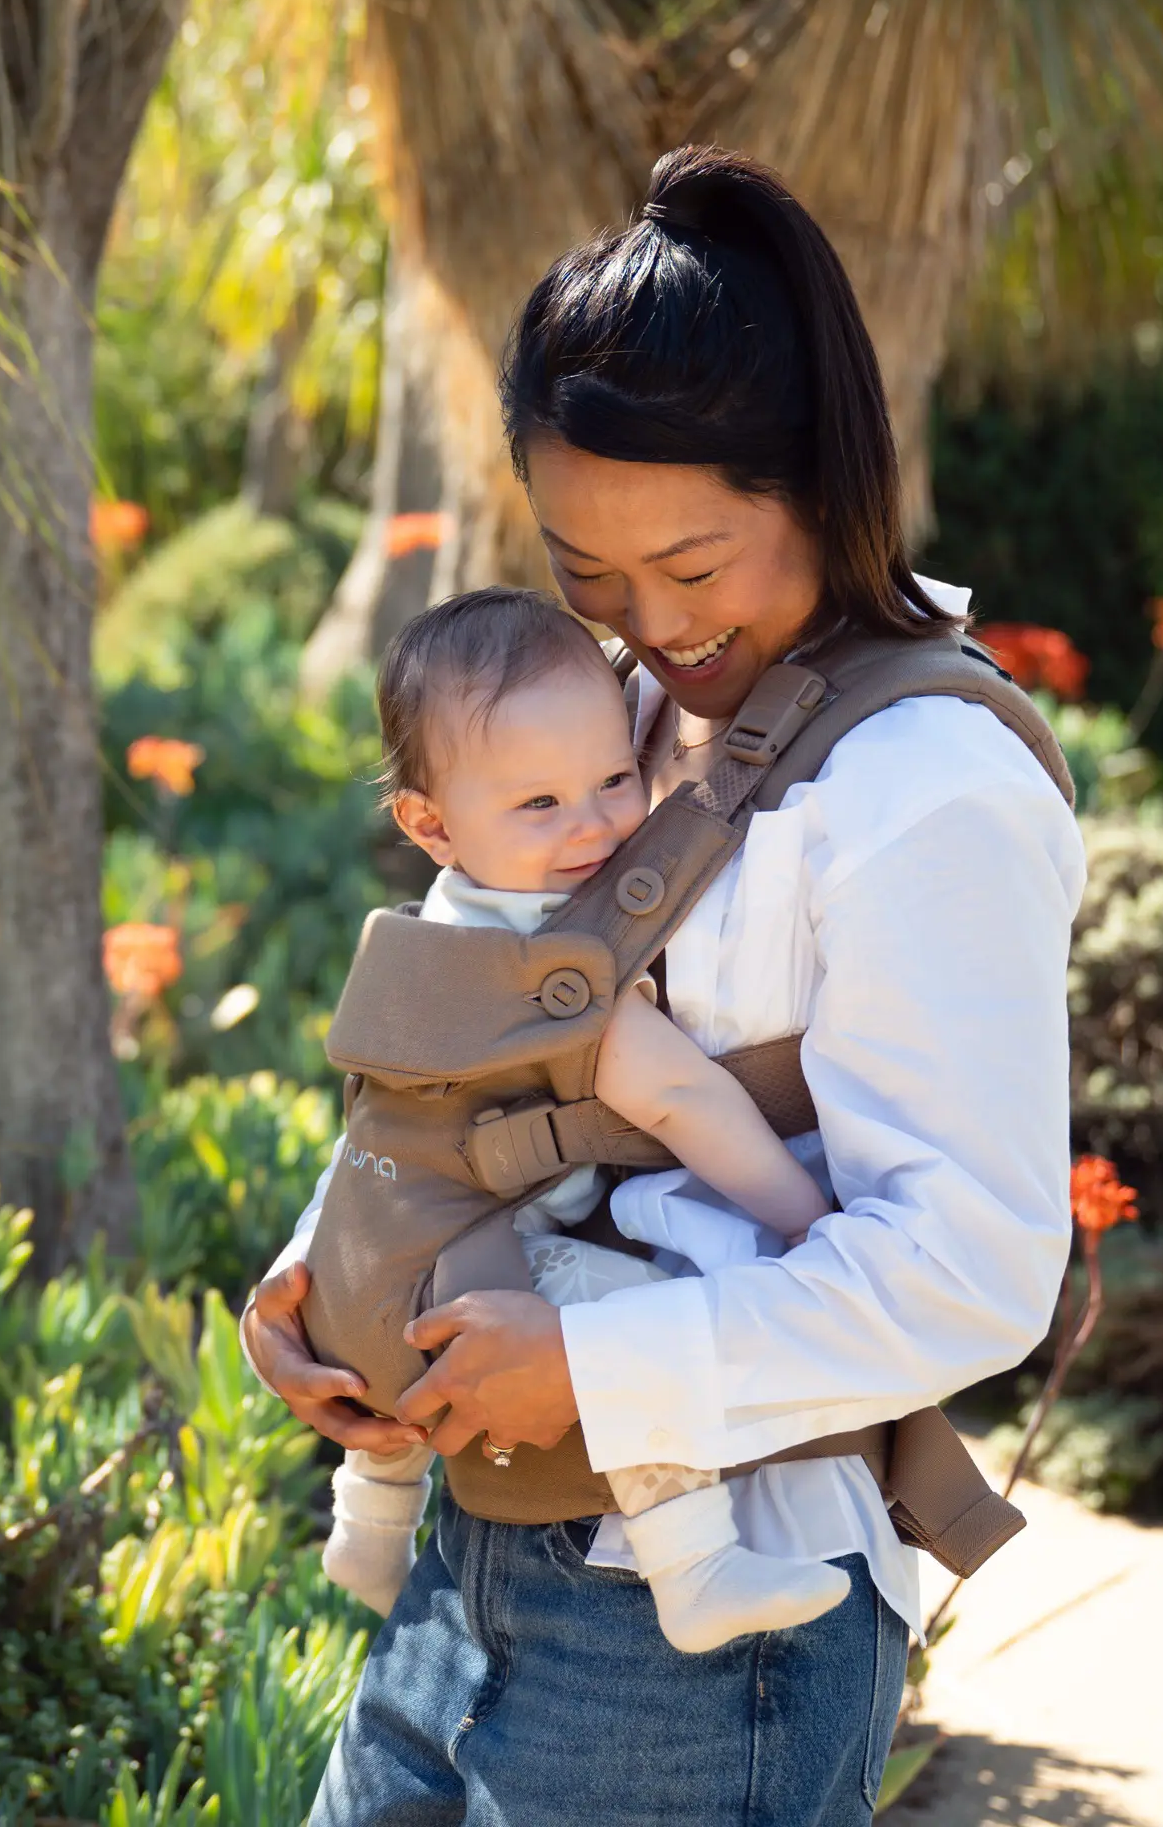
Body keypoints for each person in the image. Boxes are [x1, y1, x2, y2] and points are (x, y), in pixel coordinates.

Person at [241, 144, 1086, 1825]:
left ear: (825, 486)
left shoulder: (929, 788)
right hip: (467, 1567)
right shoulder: (591, 716)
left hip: (708, 1635)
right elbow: (464, 1052)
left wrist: (593, 1375)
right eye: (586, 574)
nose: (648, 624)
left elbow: (975, 1273)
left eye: (694, 570)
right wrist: (332, 1286)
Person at [321, 583, 847, 1651]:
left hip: (352, 1269)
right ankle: (693, 1562)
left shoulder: (433, 931)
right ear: (427, 822)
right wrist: (808, 1217)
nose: (596, 824)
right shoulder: (551, 965)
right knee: (622, 1327)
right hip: (462, 1296)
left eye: (614, 779)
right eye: (539, 804)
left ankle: (366, 1525)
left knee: (410, 1353)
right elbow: (683, 1095)